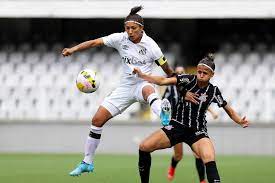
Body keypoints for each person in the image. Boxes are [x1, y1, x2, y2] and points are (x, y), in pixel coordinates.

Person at [62, 6, 174, 176]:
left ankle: (164, 116)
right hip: (125, 87)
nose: (129, 32)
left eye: (133, 28)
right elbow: (94, 42)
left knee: (148, 89)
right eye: (127, 28)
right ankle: (87, 162)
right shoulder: (119, 39)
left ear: (141, 28)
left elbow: (168, 70)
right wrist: (73, 49)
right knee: (97, 119)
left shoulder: (152, 46)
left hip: (143, 82)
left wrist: (178, 82)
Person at [133, 54, 249, 183]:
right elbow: (162, 81)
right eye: (199, 71)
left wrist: (239, 120)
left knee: (209, 157)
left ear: (212, 75)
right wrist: (142, 75)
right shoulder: (187, 79)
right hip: (176, 125)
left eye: (205, 72)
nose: (201, 74)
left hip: (197, 131)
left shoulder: (214, 91)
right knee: (144, 146)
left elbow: (228, 109)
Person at [163, 66, 219, 182]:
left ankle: (202, 180)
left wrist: (212, 112)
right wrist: (165, 119)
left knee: (198, 154)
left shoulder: (191, 86)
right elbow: (164, 105)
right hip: (176, 124)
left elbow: (200, 102)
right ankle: (172, 168)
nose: (179, 74)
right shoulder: (170, 89)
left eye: (181, 72)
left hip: (191, 125)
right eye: (177, 72)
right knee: (179, 155)